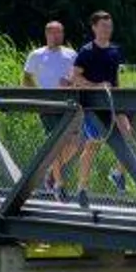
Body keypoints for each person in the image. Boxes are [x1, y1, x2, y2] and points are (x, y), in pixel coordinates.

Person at [64, 11, 134, 209]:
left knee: (127, 133)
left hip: (113, 103)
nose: (107, 30)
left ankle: (118, 173)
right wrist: (96, 86)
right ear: (94, 27)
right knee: (92, 146)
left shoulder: (115, 50)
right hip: (93, 105)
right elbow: (75, 78)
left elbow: (115, 78)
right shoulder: (86, 51)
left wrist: (119, 93)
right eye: (103, 26)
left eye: (109, 26)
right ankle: (82, 188)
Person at [23, 21, 77, 198]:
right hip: (47, 106)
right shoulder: (37, 55)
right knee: (55, 144)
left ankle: (53, 172)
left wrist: (70, 83)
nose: (58, 36)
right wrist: (36, 96)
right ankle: (58, 185)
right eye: (54, 33)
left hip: (69, 104)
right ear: (47, 34)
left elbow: (79, 76)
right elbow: (26, 78)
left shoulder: (71, 54)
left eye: (60, 33)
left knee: (75, 142)